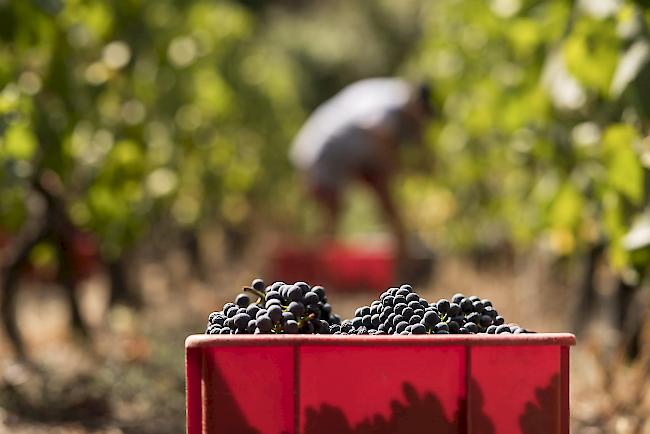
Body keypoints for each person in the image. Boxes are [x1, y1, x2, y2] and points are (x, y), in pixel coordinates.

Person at [290, 77, 434, 260]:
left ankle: (401, 260)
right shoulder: (393, 103)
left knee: (385, 202)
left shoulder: (393, 93)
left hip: (348, 152)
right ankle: (315, 269)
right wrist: (396, 165)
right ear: (418, 104)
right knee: (330, 213)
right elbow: (376, 129)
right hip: (324, 152)